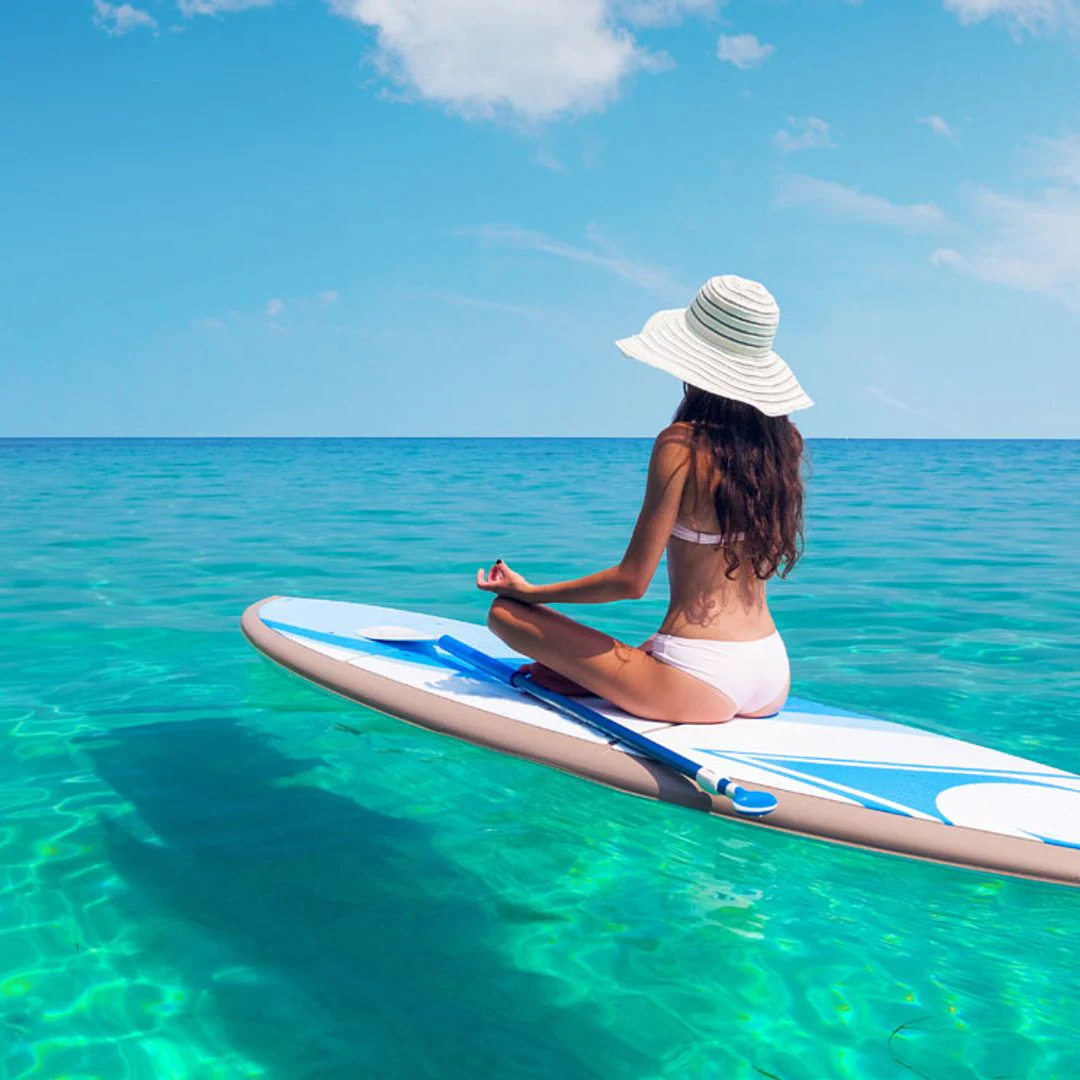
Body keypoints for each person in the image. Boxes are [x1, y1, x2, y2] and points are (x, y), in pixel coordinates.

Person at [477, 275, 812, 724]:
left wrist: (530, 593)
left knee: (506, 616)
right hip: (771, 671)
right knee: (638, 650)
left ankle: (592, 671)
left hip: (698, 677)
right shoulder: (784, 445)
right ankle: (601, 674)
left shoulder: (681, 444)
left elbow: (630, 582)